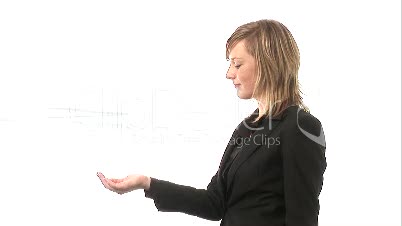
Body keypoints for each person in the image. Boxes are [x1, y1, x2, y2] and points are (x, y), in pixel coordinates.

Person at [97, 19, 327, 226]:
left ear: (268, 64)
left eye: (237, 64)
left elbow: (303, 219)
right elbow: (215, 202)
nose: (229, 74)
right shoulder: (247, 128)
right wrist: (147, 183)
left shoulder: (301, 127)